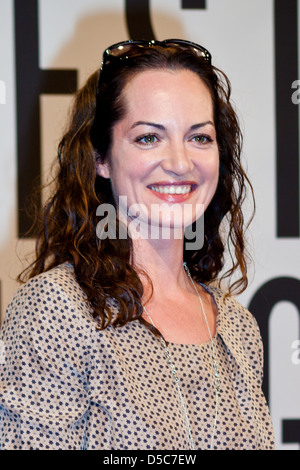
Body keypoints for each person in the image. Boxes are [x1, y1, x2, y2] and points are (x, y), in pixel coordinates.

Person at [0, 39, 275, 450]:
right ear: (101, 158)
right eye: (149, 138)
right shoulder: (58, 309)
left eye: (200, 137)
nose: (181, 163)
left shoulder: (238, 328)